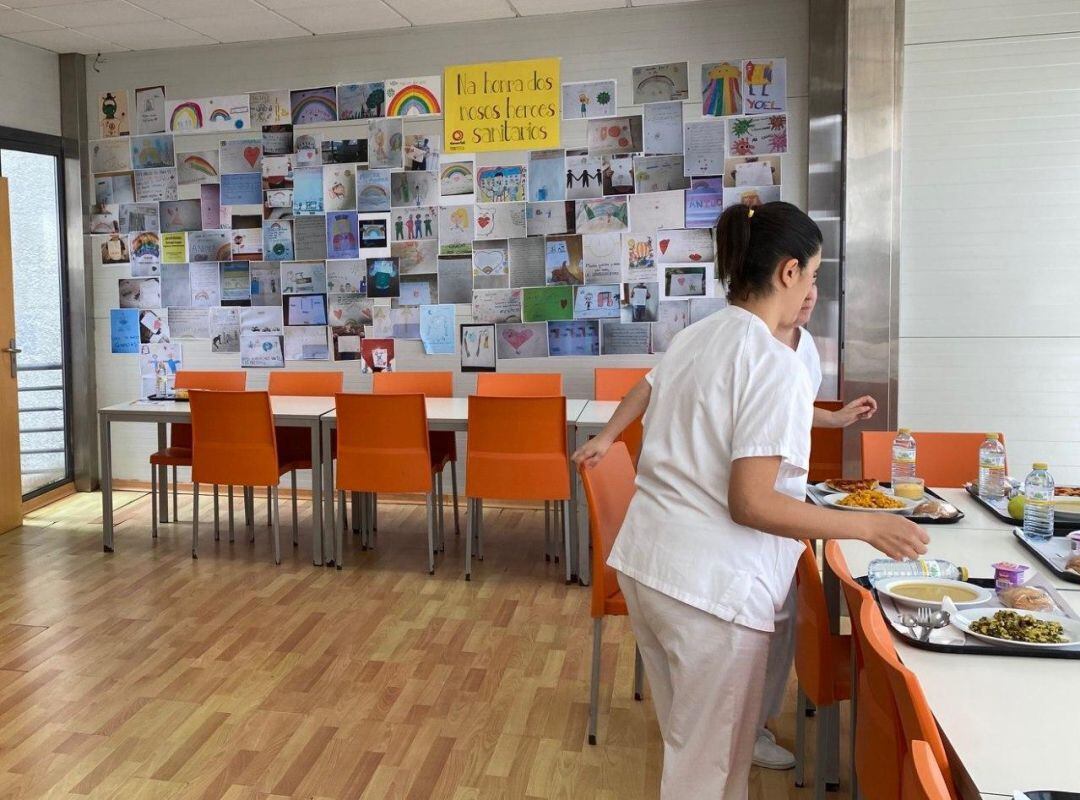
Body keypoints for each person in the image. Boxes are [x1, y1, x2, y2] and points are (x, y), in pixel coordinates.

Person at [572, 202, 927, 799]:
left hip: (652, 570)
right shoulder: (770, 361)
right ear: (788, 272)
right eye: (812, 275)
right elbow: (753, 503)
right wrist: (862, 526)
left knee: (692, 753)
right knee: (709, 772)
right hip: (710, 590)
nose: (812, 288)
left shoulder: (698, 335)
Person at [753, 280, 879, 770]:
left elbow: (793, 411)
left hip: (786, 497)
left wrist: (835, 418)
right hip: (762, 500)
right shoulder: (750, 344)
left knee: (782, 616)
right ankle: (745, 728)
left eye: (815, 287)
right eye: (803, 282)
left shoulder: (802, 347)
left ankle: (750, 720)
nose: (809, 296)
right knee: (773, 618)